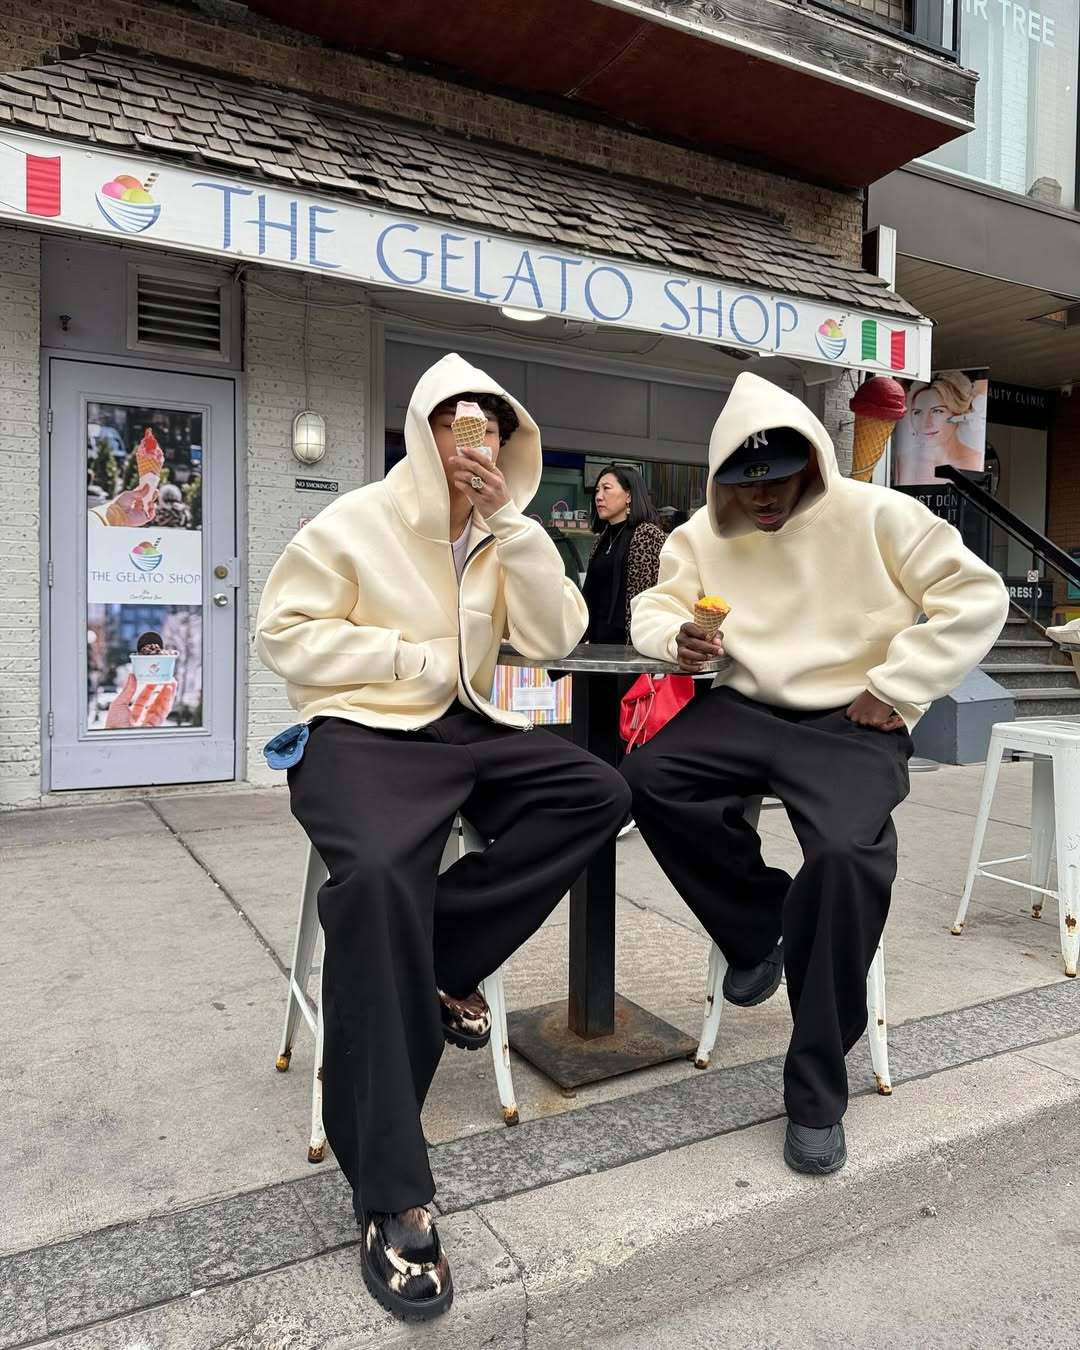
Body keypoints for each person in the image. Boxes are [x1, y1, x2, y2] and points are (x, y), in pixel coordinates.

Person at [255, 353, 630, 1323]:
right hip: (361, 727)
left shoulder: (507, 533)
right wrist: (410, 660)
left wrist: (515, 527)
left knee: (595, 792)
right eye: (456, 422)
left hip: (471, 725)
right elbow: (283, 633)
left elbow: (554, 639)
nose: (475, 440)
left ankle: (427, 966)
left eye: (492, 427)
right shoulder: (356, 521)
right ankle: (390, 1191)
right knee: (378, 877)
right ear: (424, 433)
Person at [623, 371, 1008, 1177]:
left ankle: (816, 1085)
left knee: (845, 859)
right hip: (744, 706)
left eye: (779, 475)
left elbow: (976, 595)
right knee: (651, 777)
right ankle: (759, 926)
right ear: (721, 475)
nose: (762, 496)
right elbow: (655, 606)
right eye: (745, 480)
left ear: (812, 460)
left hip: (851, 717)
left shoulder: (879, 514)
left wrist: (898, 687)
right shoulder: (700, 533)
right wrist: (674, 639)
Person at [583, 465, 666, 644]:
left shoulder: (648, 535)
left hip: (631, 644)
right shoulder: (602, 538)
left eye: (606, 488)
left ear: (628, 495)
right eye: (597, 490)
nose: (598, 496)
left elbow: (651, 596)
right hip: (596, 643)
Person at [894, 371, 984, 485]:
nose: (925, 424)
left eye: (937, 411)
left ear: (958, 413)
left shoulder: (976, 460)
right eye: (917, 412)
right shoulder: (904, 461)